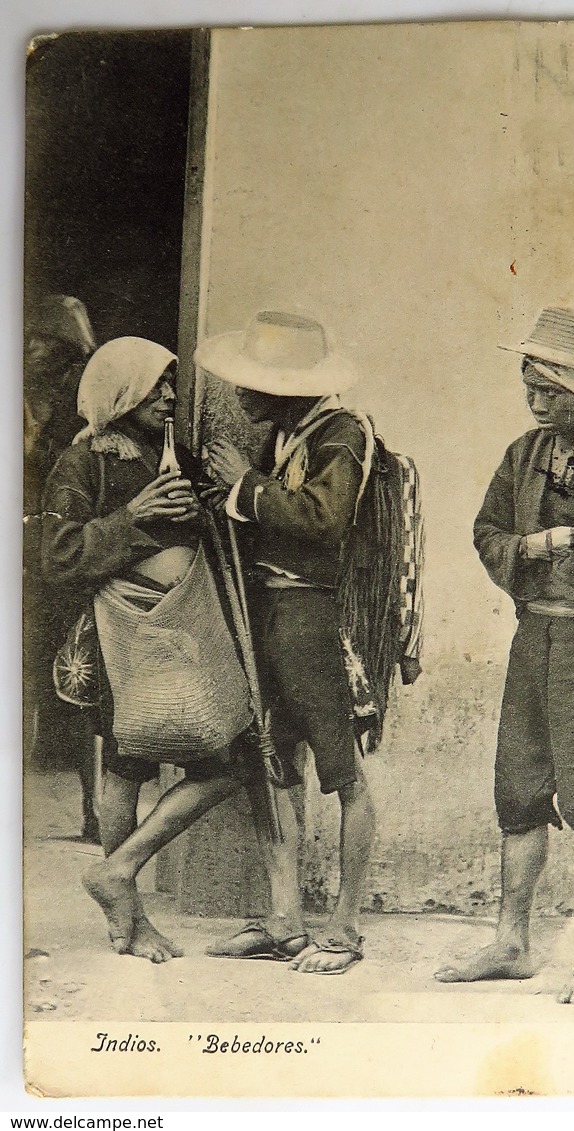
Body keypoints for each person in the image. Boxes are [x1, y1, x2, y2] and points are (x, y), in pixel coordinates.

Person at [435, 307, 574, 1004]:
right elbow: (488, 530)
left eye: (549, 388)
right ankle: (511, 942)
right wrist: (535, 547)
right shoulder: (524, 453)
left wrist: (555, 553)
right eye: (527, 384)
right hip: (531, 636)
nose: (535, 400)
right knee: (519, 791)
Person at [42, 337, 243, 962]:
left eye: (171, 386)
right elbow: (56, 556)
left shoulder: (173, 456)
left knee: (223, 760)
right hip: (119, 630)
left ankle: (119, 871)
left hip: (181, 628)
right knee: (126, 763)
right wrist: (130, 516)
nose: (169, 397)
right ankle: (130, 919)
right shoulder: (82, 465)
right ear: (122, 393)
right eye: (156, 387)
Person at [195, 310, 378, 975]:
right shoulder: (289, 435)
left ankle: (347, 926)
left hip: (310, 617)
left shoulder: (342, 435)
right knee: (271, 760)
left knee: (341, 772)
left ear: (288, 386)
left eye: (253, 382)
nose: (238, 394)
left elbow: (322, 520)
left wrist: (245, 483)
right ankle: (284, 919)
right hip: (269, 611)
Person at [24, 295, 100, 839]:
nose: (30, 350)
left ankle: (94, 808)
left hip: (64, 551)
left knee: (80, 677)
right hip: (29, 550)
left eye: (42, 342)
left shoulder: (82, 403)